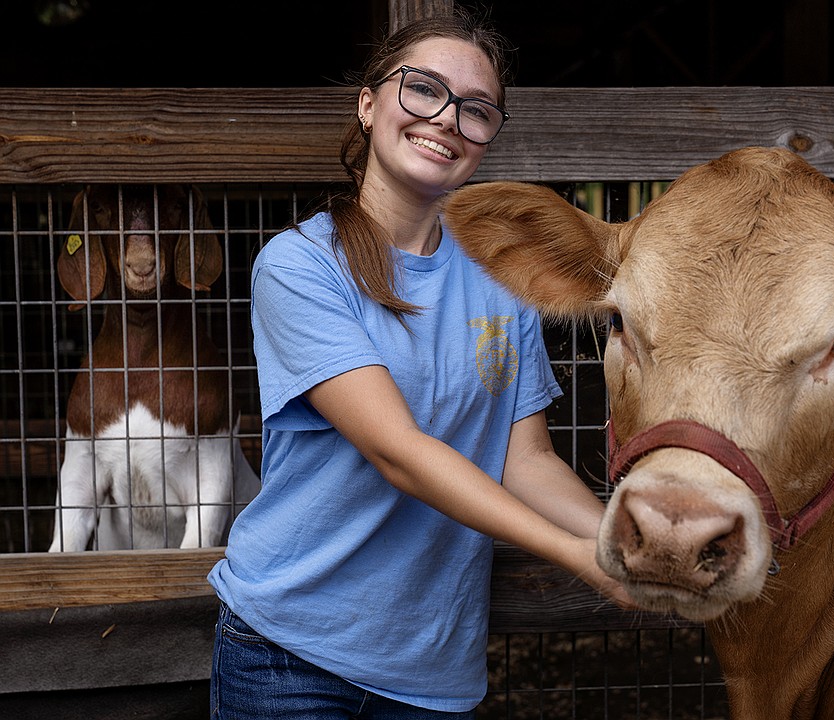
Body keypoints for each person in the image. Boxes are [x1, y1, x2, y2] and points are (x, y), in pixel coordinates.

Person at [207, 11, 632, 720]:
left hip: (432, 670)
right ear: (369, 104)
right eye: (424, 89)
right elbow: (397, 451)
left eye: (476, 109)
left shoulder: (502, 280)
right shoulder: (301, 266)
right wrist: (577, 556)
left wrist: (617, 543)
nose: (447, 119)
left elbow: (524, 461)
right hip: (290, 652)